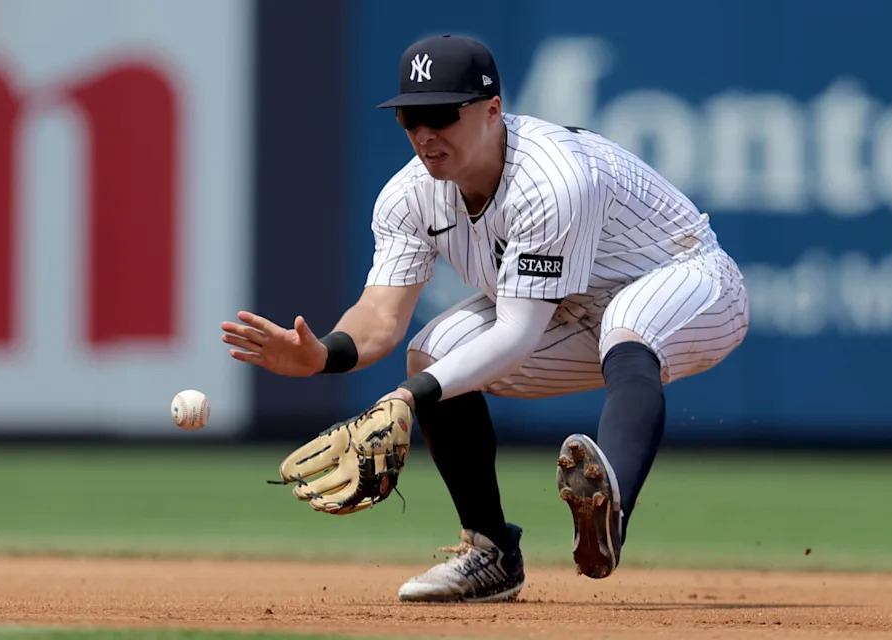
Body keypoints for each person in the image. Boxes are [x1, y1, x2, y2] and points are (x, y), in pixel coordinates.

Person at [221, 34, 749, 603]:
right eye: (410, 117)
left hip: (690, 281)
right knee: (433, 351)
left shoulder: (550, 177)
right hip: (568, 310)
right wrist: (325, 354)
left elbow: (518, 335)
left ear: (492, 110)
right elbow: (380, 315)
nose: (425, 133)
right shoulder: (408, 195)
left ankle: (612, 493)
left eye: (442, 114)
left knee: (628, 321)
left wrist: (406, 397)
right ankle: (490, 552)